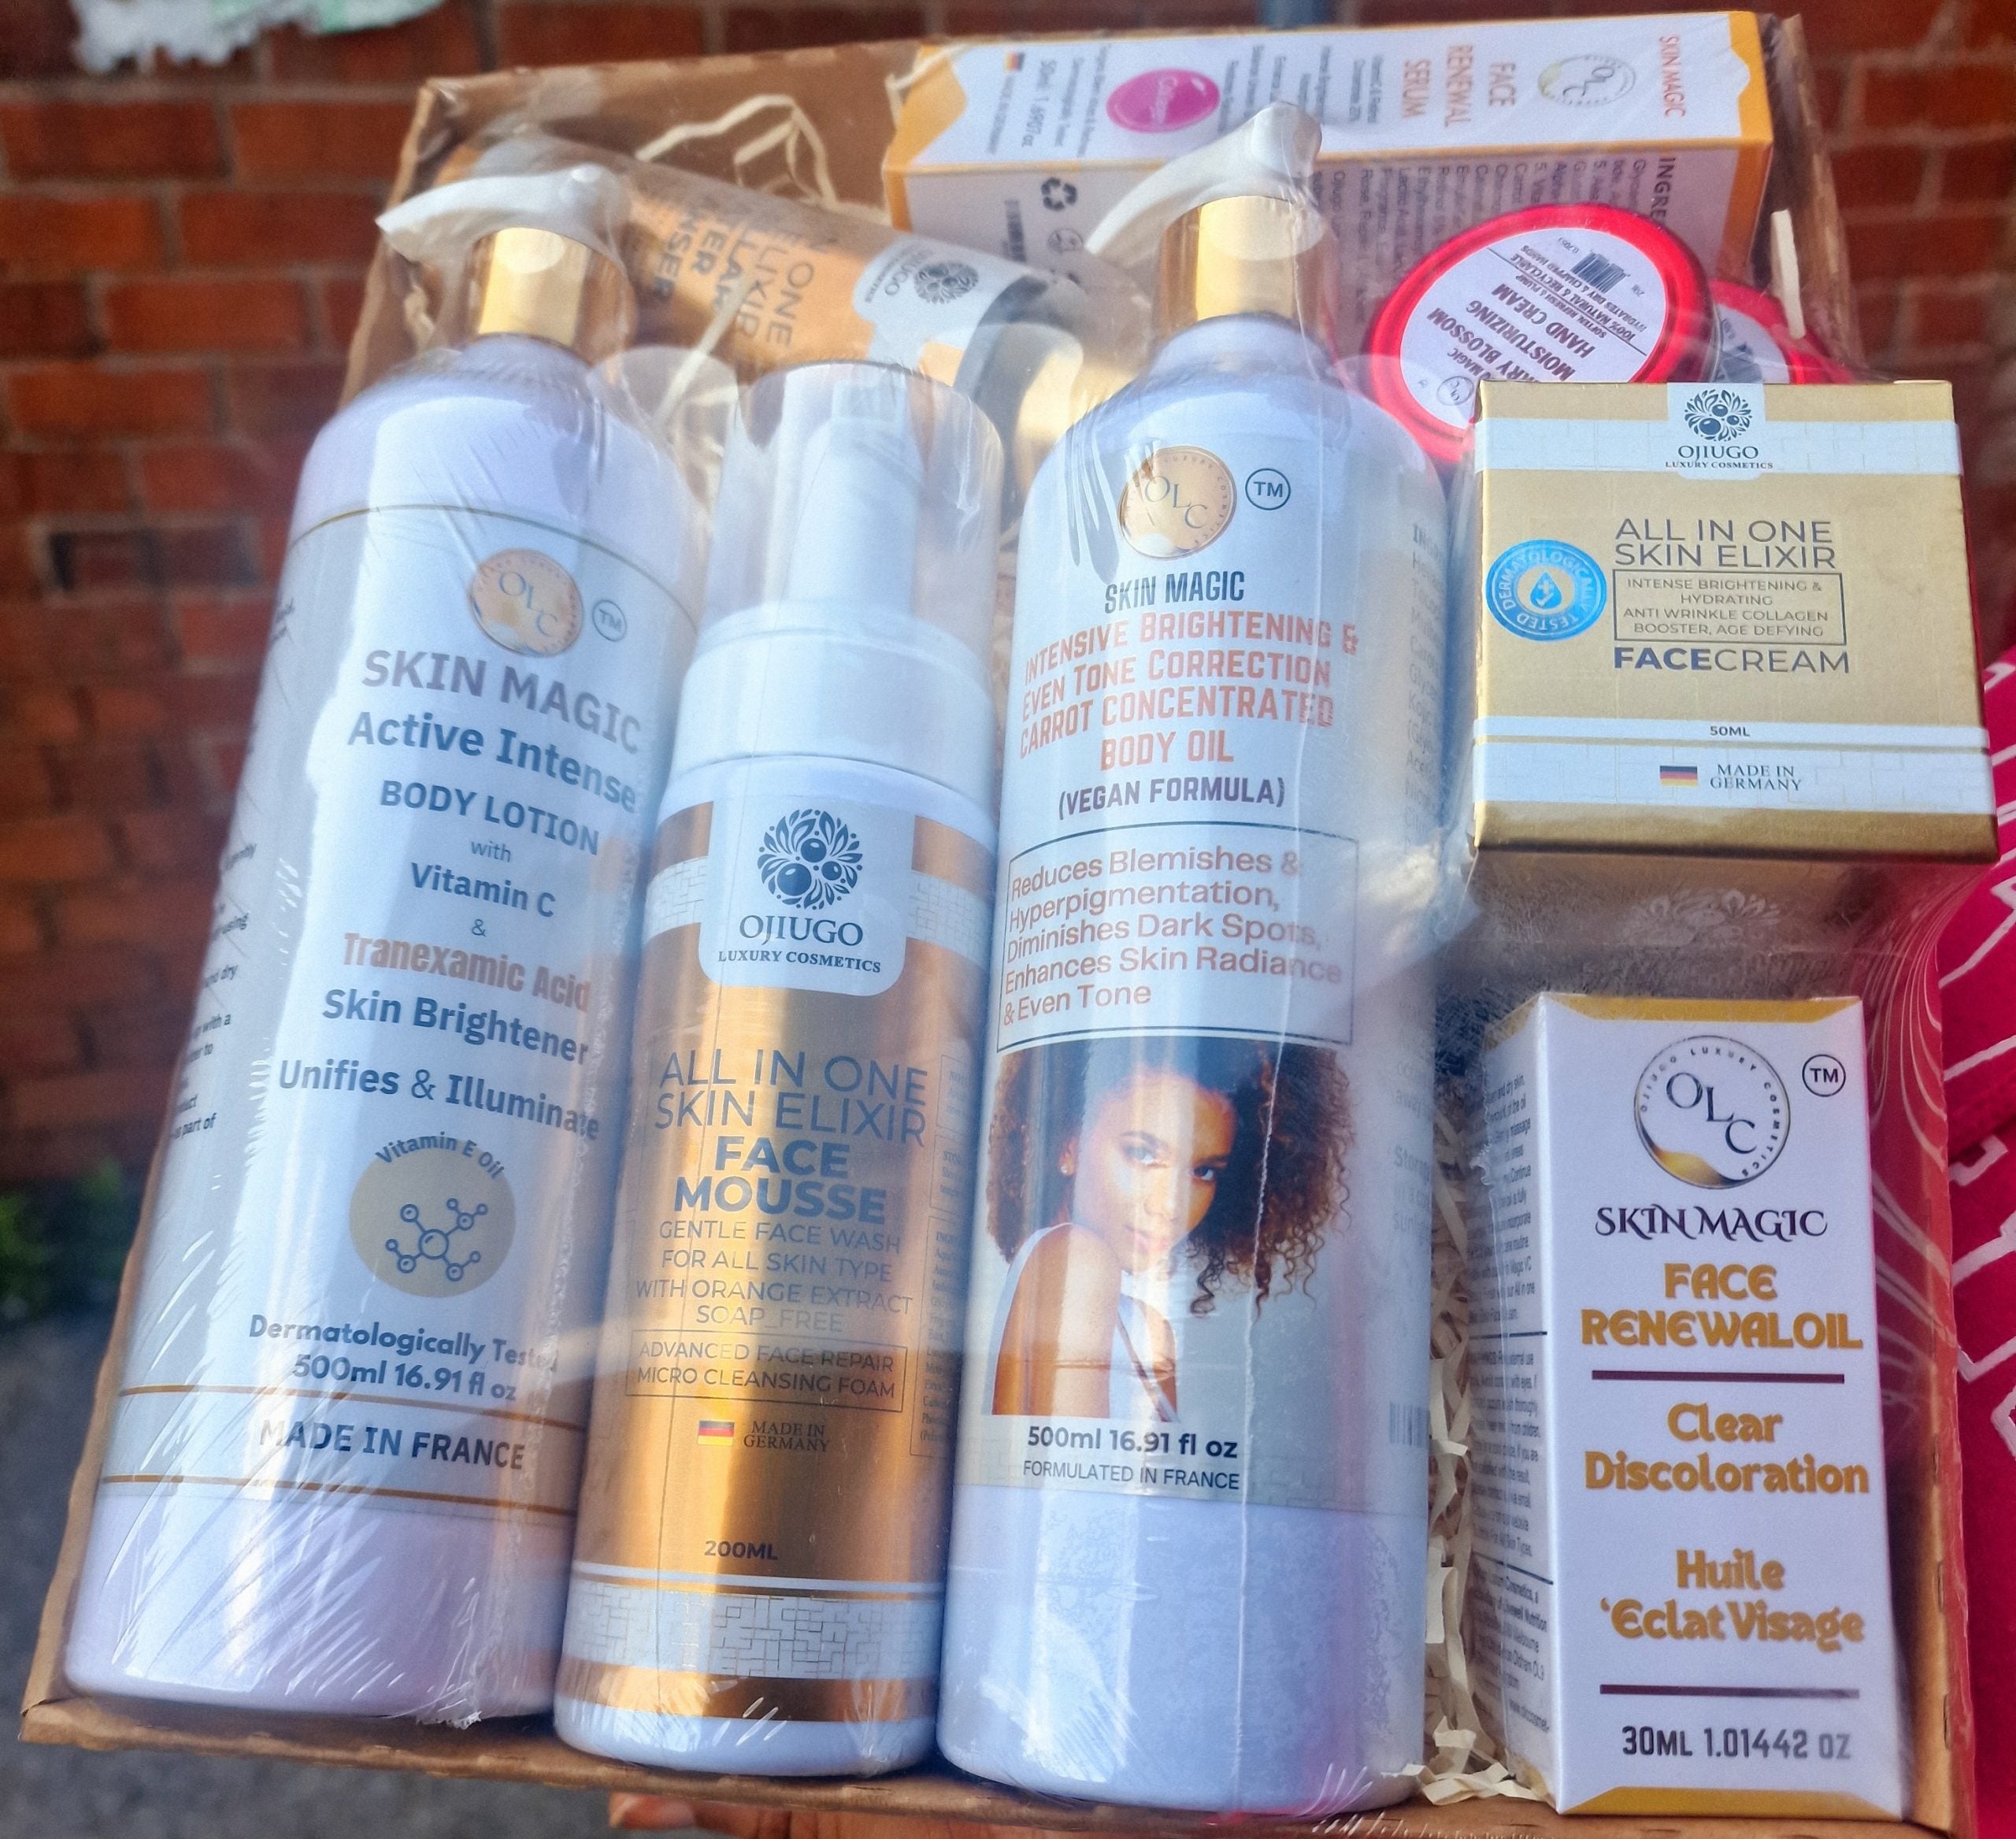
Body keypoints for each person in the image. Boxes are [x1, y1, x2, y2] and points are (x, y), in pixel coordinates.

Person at [982, 1035, 1348, 1419]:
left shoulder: (1148, 1327)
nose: (1171, 1206)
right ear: (1067, 1144)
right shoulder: (1078, 1259)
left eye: (1203, 1171)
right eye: (1142, 1153)